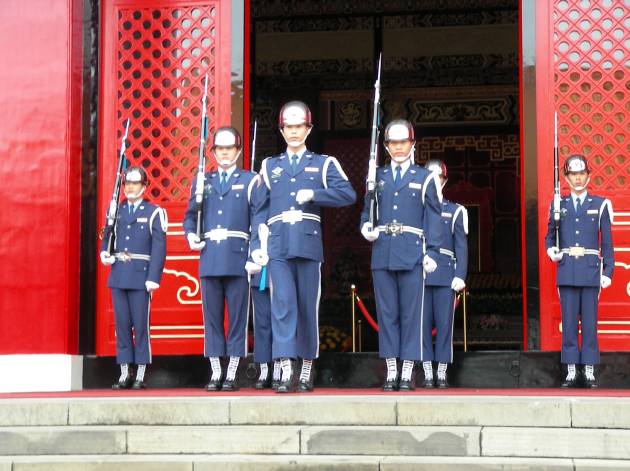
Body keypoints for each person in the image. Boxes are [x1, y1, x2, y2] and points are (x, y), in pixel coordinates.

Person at [253, 100, 356, 393]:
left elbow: (347, 194)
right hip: (278, 245)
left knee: (307, 307)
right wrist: (259, 240)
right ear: (282, 130)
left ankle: (307, 365)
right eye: (289, 127)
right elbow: (260, 207)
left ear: (308, 129)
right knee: (282, 305)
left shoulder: (323, 163)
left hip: (308, 245)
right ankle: (286, 368)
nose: (294, 132)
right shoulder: (270, 165)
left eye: (299, 126)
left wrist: (317, 193)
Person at [360, 119, 442, 391]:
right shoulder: (378, 176)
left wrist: (431, 252)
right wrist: (365, 226)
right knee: (387, 314)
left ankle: (408, 369)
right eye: (392, 143)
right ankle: (391, 369)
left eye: (403, 142)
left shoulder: (425, 177)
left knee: (410, 314)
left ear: (412, 144)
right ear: (385, 146)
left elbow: (433, 218)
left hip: (411, 252)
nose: (398, 148)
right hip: (383, 251)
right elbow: (367, 211)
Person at [183, 126, 258, 392]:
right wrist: (191, 234)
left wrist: (255, 253)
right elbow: (191, 215)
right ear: (213, 152)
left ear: (237, 151)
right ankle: (216, 370)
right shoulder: (202, 181)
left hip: (238, 257)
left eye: (230, 148)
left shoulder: (251, 181)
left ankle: (232, 372)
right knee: (212, 318)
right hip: (211, 256)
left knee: (238, 318)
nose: (225, 153)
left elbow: (258, 219)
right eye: (220, 149)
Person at [545, 154, 614, 388]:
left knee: (590, 323)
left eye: (581, 174)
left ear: (588, 175)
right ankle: (572, 370)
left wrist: (608, 271)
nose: (577, 178)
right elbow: (549, 236)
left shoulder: (600, 204)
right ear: (566, 177)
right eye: (573, 174)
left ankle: (589, 369)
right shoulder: (558, 205)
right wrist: (550, 250)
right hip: (567, 270)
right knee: (569, 323)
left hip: (590, 271)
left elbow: (607, 243)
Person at [100, 166, 167, 389]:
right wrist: (104, 251)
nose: (130, 187)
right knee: (122, 326)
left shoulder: (153, 212)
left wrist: (153, 277)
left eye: (135, 183)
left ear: (144, 187)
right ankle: (124, 372)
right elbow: (107, 235)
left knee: (140, 326)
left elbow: (159, 248)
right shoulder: (116, 211)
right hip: (119, 275)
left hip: (140, 277)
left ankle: (140, 372)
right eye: (127, 183)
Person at [421, 159, 468, 388]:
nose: (433, 182)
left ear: (444, 181)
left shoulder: (455, 210)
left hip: (445, 274)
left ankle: (441, 370)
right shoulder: (416, 209)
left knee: (443, 325)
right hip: (420, 274)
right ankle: (427, 370)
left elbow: (461, 246)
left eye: (437, 178)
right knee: (422, 325)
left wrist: (460, 274)